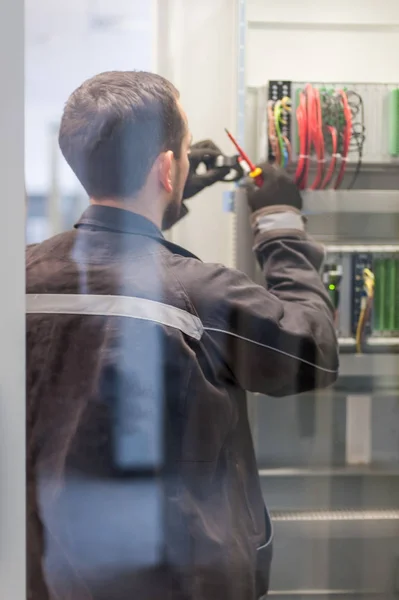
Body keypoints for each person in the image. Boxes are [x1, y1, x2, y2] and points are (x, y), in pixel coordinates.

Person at [26, 71, 339, 600]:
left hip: (46, 577)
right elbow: (312, 352)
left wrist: (163, 199)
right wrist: (281, 224)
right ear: (167, 168)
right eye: (186, 151)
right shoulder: (199, 294)